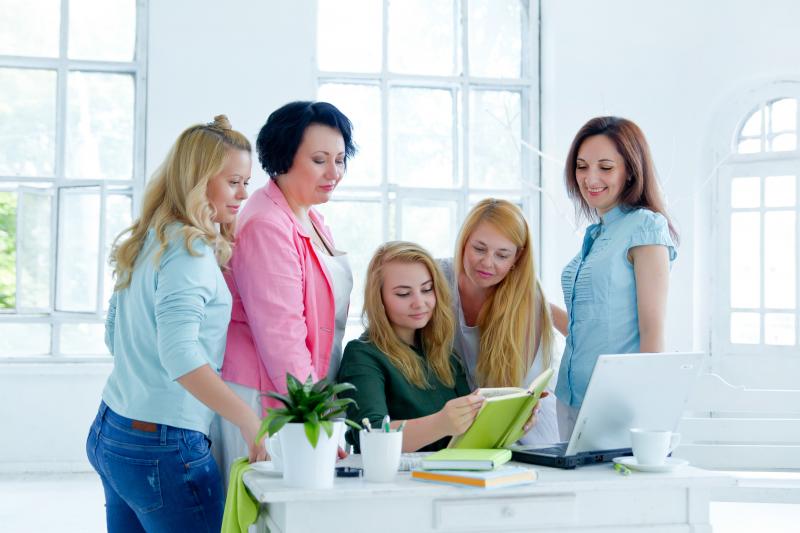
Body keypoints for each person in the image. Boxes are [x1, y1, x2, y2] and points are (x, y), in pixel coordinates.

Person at [85, 115, 266, 532]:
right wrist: (249, 421)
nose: (243, 193)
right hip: (163, 447)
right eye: (233, 182)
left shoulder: (150, 236)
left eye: (246, 182)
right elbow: (180, 355)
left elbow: (114, 334)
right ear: (199, 180)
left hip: (111, 428)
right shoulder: (190, 251)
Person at [212, 101, 356, 481]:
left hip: (303, 391)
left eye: (340, 159)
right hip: (270, 395)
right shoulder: (267, 225)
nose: (334, 172)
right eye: (320, 160)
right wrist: (314, 418)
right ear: (283, 157)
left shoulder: (310, 216)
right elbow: (282, 337)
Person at [554, 116, 679, 438]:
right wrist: (535, 301)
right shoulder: (596, 234)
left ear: (631, 171)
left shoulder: (645, 227)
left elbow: (652, 332)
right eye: (582, 167)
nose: (590, 178)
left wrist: (646, 417)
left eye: (606, 167)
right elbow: (586, 329)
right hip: (569, 396)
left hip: (617, 404)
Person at [337, 241, 487, 452]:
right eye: (403, 294)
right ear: (379, 298)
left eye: (426, 289)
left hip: (451, 471)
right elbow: (370, 435)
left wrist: (514, 421)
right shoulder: (362, 355)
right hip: (395, 473)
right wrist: (440, 423)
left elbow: (470, 431)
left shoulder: (444, 354)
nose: (419, 302)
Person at [439, 198, 559, 444]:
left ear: (517, 258)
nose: (487, 263)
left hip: (524, 426)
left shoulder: (527, 299)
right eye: (479, 249)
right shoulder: (437, 279)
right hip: (462, 423)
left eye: (502, 255)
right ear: (464, 242)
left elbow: (516, 394)